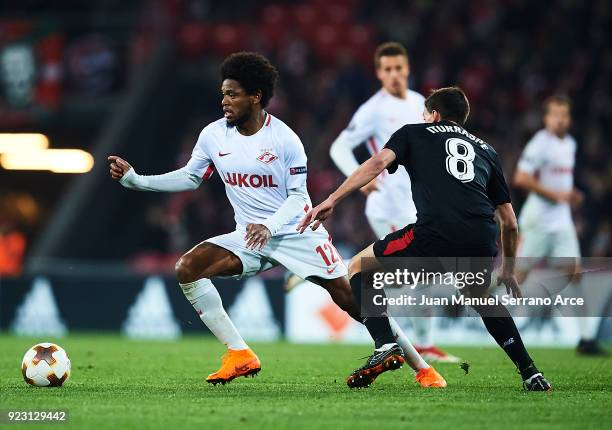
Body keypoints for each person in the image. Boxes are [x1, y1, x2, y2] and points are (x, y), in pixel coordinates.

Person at [108, 52, 445, 388]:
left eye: (232, 94)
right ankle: (239, 354)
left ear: (255, 96)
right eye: (223, 93)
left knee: (354, 302)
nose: (224, 101)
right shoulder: (213, 135)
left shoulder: (285, 140)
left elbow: (299, 197)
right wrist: (138, 180)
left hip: (296, 232)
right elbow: (191, 177)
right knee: (187, 268)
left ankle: (423, 369)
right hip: (249, 236)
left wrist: (269, 225)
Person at [299, 86, 552, 391]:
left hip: (436, 231)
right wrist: (509, 269)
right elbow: (510, 223)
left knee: (358, 268)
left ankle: (384, 346)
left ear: (433, 115)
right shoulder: (487, 150)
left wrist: (333, 199)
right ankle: (530, 372)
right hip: (482, 236)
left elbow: (377, 164)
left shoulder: (415, 133)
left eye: (424, 114)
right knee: (480, 297)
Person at [328, 41, 458, 363]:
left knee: (425, 276)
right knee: (420, 273)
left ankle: (424, 345)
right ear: (378, 74)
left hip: (417, 205)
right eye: (388, 70)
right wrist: (361, 181)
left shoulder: (420, 103)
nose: (394, 75)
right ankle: (339, 276)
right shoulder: (373, 109)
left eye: (399, 68)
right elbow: (338, 148)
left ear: (408, 68)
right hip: (386, 204)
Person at [513, 95, 605, 355]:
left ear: (570, 118)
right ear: (546, 118)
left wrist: (570, 193)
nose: (560, 120)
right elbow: (521, 178)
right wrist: (556, 196)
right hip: (538, 221)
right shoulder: (540, 143)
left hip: (561, 221)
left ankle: (586, 339)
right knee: (518, 276)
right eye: (555, 115)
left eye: (564, 115)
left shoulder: (570, 144)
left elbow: (558, 183)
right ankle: (493, 318)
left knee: (575, 273)